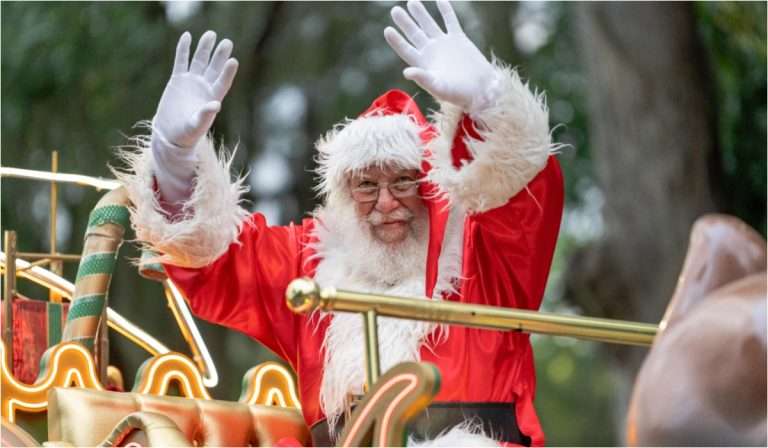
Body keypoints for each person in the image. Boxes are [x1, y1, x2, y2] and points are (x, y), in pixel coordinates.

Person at [117, 1, 563, 446]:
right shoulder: (311, 266)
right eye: (366, 185)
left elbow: (523, 198)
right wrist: (173, 158)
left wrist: (488, 102)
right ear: (346, 195)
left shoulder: (479, 255)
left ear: (429, 184)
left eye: (403, 181)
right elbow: (215, 259)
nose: (386, 203)